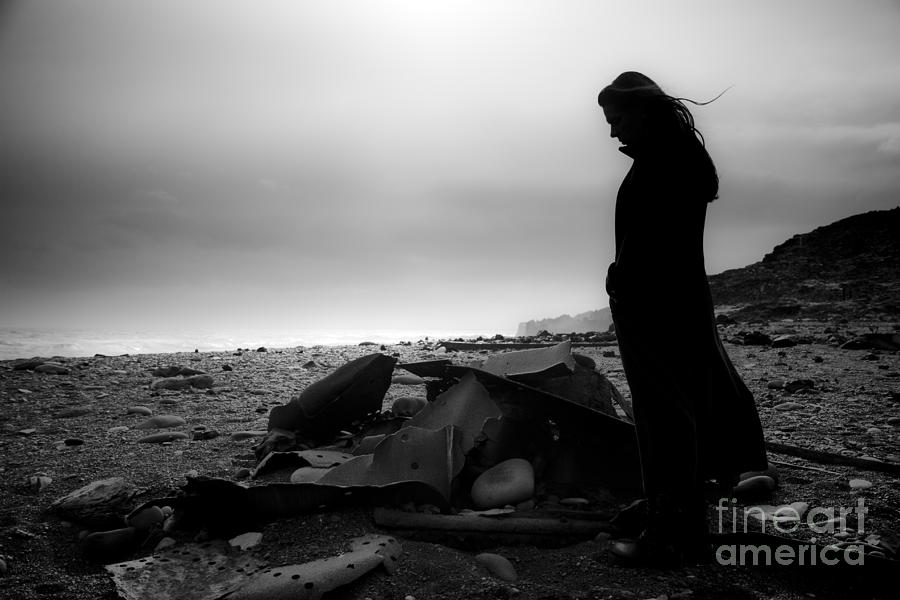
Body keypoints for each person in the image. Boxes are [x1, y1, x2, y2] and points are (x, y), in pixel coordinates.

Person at [597, 72, 768, 566]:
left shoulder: (662, 165)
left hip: (653, 303)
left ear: (643, 111)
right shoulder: (680, 159)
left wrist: (622, 282)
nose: (612, 133)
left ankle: (671, 533)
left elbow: (653, 242)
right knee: (692, 396)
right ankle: (674, 507)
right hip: (679, 297)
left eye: (618, 119)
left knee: (661, 412)